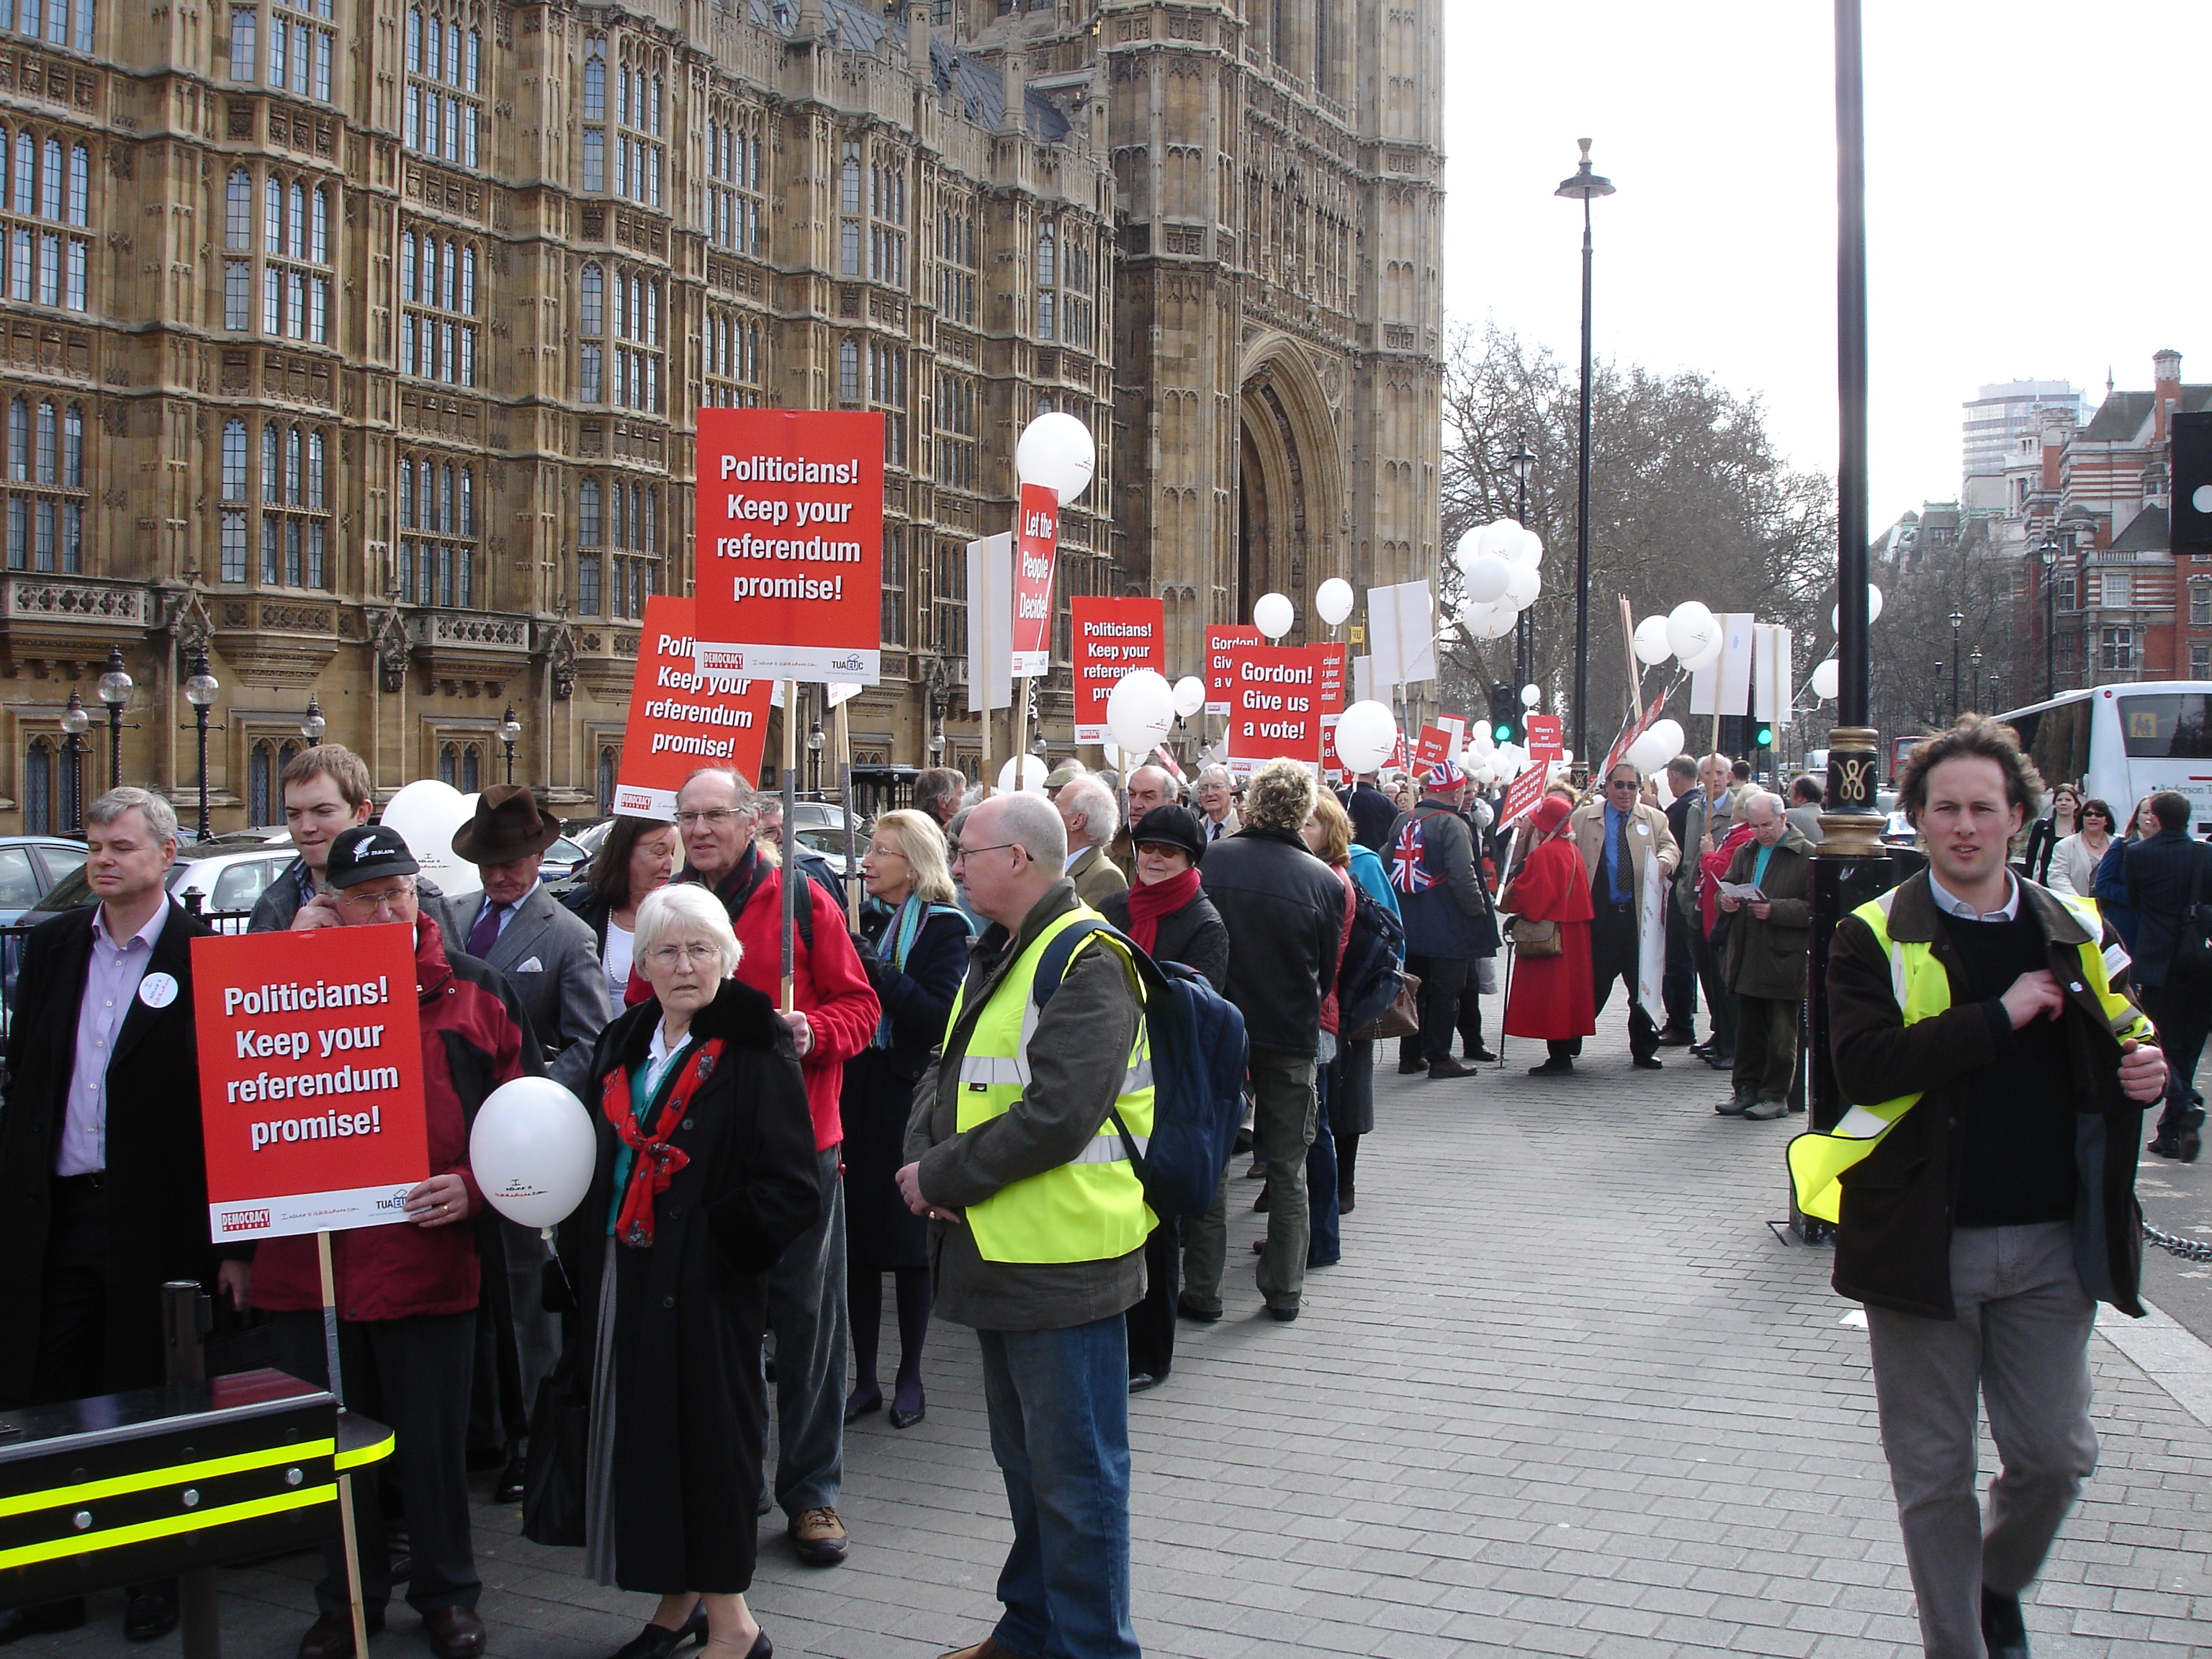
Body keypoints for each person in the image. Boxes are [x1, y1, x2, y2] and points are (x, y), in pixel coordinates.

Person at [1823, 718, 2166, 1659]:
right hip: (1919, 1245)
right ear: (1920, 822)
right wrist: (1999, 1017)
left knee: (2057, 1458)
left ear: (2018, 816)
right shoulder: (1872, 934)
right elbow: (1863, 1068)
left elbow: (2131, 1027)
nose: (1964, 825)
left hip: (2051, 1245)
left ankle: (1995, 1584)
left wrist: (2148, 1066)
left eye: (1984, 808)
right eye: (1945, 810)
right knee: (1934, 1479)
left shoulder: (2076, 925)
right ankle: (1959, 1645)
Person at [258, 824, 539, 1659]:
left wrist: (476, 1187)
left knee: (432, 1443)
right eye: (367, 897)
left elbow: (518, 1118)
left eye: (399, 893)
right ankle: (346, 1594)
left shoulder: (474, 990)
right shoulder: (278, 986)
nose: (387, 910)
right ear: (329, 905)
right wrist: (289, 966)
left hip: (427, 1259)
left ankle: (448, 1592)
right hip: (315, 1266)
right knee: (333, 1451)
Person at [899, 793, 1151, 1659]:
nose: (956, 865)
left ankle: (1090, 1648)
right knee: (1027, 1468)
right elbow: (949, 1066)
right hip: (1003, 1249)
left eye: (967, 851)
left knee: (1078, 1480)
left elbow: (1058, 1117)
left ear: (1019, 858)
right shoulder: (999, 948)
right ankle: (1030, 1628)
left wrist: (935, 1174)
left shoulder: (1087, 956)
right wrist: (922, 1156)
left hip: (1067, 1260)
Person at [562, 884, 822, 1659]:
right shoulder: (625, 1040)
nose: (685, 966)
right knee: (649, 1442)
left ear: (728, 959)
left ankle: (735, 1626)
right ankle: (678, 1605)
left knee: (710, 1446)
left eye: (701, 950)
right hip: (626, 1272)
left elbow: (791, 1187)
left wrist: (712, 1250)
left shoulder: (754, 1046)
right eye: (668, 951)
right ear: (641, 964)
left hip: (707, 1287)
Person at [0, 788, 215, 1647]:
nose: (102, 860)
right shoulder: (54, 947)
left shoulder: (202, 956)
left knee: (146, 1402)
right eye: (94, 846)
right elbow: (30, 1078)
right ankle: (50, 1578)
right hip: (59, 1216)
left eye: (121, 846)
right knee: (49, 1399)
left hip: (153, 1222)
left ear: (165, 856)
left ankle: (150, 1580)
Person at [664, 767, 881, 1568]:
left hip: (799, 1149)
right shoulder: (672, 910)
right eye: (688, 817)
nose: (700, 831)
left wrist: (812, 1033)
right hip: (701, 1152)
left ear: (753, 820)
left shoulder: (801, 898)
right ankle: (736, 1476)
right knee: (722, 1327)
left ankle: (813, 1492)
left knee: (807, 1326)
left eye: (715, 815)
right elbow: (633, 1007)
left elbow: (863, 1008)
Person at [439, 786, 611, 1502]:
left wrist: (530, 1097)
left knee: (519, 1291)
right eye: (490, 863)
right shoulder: (446, 919)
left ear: (539, 859)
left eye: (513, 862)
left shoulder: (566, 935)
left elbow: (593, 1039)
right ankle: (479, 1424)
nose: (500, 875)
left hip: (519, 1140)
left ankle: (532, 1437)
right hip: (450, 1135)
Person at [1183, 758, 1342, 1323]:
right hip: (1290, 1033)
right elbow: (1326, 972)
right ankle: (1284, 1289)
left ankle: (1202, 1288)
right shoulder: (1324, 881)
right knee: (1288, 1167)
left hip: (1221, 1029)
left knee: (1214, 1159)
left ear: (1250, 803)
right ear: (1303, 811)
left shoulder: (1213, 861)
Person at [842, 810, 968, 1429]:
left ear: (914, 863)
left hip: (908, 1099)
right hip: (859, 1096)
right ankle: (863, 1377)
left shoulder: (945, 929)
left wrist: (878, 971)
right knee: (861, 1246)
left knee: (907, 1243)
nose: (867, 861)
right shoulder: (869, 920)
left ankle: (909, 1374)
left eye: (882, 851)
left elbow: (935, 1017)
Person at [1100, 804, 1226, 1393]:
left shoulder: (1205, 922)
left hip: (1167, 1084)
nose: (1151, 859)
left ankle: (1152, 1351)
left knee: (1158, 1221)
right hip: (1108, 1076)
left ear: (1189, 861)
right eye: (1145, 848)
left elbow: (1195, 1009)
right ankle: (1112, 1334)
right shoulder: (1115, 908)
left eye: (1166, 852)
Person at [2113, 790, 2211, 1161]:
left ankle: (2184, 1104)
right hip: (2202, 962)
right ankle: (2173, 1129)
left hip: (2158, 962)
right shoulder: (2205, 853)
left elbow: (2135, 901)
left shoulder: (2138, 854)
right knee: (2190, 1044)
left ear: (2155, 817)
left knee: (2163, 1041)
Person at [1565, 760, 1680, 1071]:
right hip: (1599, 916)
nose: (1626, 792)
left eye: (1632, 786)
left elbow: (1671, 847)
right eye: (1619, 785)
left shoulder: (1654, 819)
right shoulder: (1584, 818)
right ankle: (1571, 1037)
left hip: (1639, 918)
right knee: (1592, 985)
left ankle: (1644, 1049)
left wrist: (1666, 859)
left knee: (1642, 987)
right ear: (1607, 787)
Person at [1388, 761, 1495, 1080]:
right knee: (1447, 990)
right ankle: (1439, 1056)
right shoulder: (1453, 824)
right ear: (1456, 791)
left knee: (1414, 989)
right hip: (1447, 922)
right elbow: (1463, 876)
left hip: (1410, 920)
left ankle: (1410, 1054)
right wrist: (1478, 911)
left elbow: (1386, 860)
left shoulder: (1402, 820)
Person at [1712, 791, 1815, 1120]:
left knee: (1783, 1033)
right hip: (1748, 951)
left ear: (1783, 818)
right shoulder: (1747, 850)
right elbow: (1726, 884)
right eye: (1754, 826)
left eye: (1766, 825)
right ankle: (1745, 1089)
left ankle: (1775, 1095)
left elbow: (1815, 909)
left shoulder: (1805, 855)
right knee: (1749, 1029)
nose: (1761, 832)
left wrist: (1776, 910)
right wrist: (1724, 901)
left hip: (1784, 956)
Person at [1298, 792, 1361, 1270]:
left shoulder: (1331, 881)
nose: (1302, 831)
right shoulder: (1320, 875)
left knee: (1313, 1131)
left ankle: (1321, 1238)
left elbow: (1321, 960)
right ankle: (1304, 1232)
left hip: (1316, 1015)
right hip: (1315, 1012)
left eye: (1312, 825)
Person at [1328, 796, 1398, 1212]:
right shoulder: (1294, 867)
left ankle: (1345, 1183)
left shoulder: (1362, 864)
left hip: (1352, 1000)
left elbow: (1390, 930)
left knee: (1349, 1095)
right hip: (1315, 1003)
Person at [1501, 796, 1596, 1073]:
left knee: (1552, 997)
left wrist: (1516, 893)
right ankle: (1564, 1050)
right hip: (1572, 931)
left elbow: (1534, 899)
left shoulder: (1545, 853)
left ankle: (1558, 1056)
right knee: (1568, 996)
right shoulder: (1571, 849)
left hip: (1551, 933)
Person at [248, 742, 377, 932]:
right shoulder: (269, 906)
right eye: (294, 815)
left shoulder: (419, 900)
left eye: (323, 812)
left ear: (361, 813)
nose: (306, 827)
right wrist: (292, 947)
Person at [563, 816, 683, 1005]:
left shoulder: (688, 915)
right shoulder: (582, 908)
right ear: (624, 855)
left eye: (676, 854)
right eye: (659, 853)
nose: (670, 865)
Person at [1655, 755, 1701, 1047]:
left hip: (1679, 892)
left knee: (1677, 960)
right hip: (1687, 892)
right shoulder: (1696, 806)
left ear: (1673, 776)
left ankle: (1680, 1023)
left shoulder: (1683, 809)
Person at [2092, 795, 2156, 950]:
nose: (2150, 817)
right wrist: (2132, 897)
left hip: (2153, 926)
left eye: (2154, 813)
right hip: (2123, 922)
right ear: (2137, 817)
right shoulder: (2122, 846)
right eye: (2146, 812)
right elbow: (2103, 884)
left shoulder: (2167, 850)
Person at [1055, 774, 1128, 908]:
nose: (1050, 808)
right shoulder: (1053, 865)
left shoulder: (1105, 877)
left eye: (1057, 804)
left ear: (1077, 821)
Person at [1110, 763, 1180, 876]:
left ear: (1170, 805)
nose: (1135, 804)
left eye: (1148, 797)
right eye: (1132, 795)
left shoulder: (1185, 857)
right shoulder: (1110, 857)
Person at [2044, 795, 2112, 898]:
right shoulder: (2064, 846)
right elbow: (2056, 877)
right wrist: (2078, 901)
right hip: (2078, 907)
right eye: (2088, 814)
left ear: (2106, 820)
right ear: (2082, 818)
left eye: (2099, 815)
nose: (2093, 818)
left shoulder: (2119, 845)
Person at [2020, 782, 2080, 886]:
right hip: (2043, 885)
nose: (2063, 803)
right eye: (2060, 800)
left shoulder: (2081, 830)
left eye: (2068, 800)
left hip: (2072, 887)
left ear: (2076, 805)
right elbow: (2031, 859)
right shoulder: (2042, 827)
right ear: (2054, 804)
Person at [1344, 769, 1398, 852]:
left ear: (1352, 774)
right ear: (1376, 777)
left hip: (1341, 858)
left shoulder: (1336, 799)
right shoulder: (1388, 804)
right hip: (1378, 858)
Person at [1194, 764, 1240, 842]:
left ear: (1232, 790)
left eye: (1217, 787)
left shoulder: (1242, 827)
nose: (1210, 793)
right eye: (1204, 788)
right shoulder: (1195, 830)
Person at [912, 766, 966, 833]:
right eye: (961, 795)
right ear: (942, 801)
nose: (966, 799)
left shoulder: (914, 825)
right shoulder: (931, 834)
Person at [1786, 773, 1827, 846]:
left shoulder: (1788, 816)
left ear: (1800, 798)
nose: (1789, 799)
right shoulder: (1827, 819)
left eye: (1790, 794)